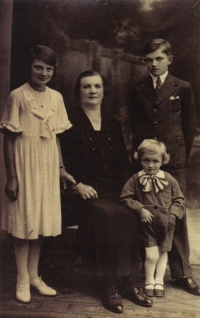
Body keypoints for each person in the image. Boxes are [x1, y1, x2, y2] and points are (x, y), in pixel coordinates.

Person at [59, 70, 153, 313]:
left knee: (130, 212)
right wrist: (77, 184)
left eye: (97, 86)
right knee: (109, 216)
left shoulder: (112, 123)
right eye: (86, 86)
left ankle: (129, 281)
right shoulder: (68, 122)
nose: (92, 91)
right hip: (83, 191)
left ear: (104, 90)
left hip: (114, 189)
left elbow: (123, 161)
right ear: (78, 91)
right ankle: (109, 285)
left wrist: (130, 191)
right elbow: (62, 161)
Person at [0, 45, 76, 303]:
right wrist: (11, 176)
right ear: (30, 67)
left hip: (47, 165)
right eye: (38, 67)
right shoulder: (18, 96)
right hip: (24, 165)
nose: (43, 72)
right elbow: (9, 139)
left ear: (54, 71)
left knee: (40, 223)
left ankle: (34, 276)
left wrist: (61, 169)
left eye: (48, 68)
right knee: (24, 222)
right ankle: (21, 278)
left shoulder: (56, 98)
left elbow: (54, 138)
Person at [129, 38, 200, 295]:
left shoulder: (183, 87)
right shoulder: (138, 87)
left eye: (159, 58)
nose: (153, 64)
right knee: (146, 210)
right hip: (146, 160)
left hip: (173, 161)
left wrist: (177, 156)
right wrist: (140, 155)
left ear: (170, 59)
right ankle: (142, 268)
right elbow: (135, 123)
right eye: (148, 60)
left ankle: (182, 273)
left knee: (175, 213)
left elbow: (189, 126)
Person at [120, 139, 185, 298]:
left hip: (166, 223)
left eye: (155, 161)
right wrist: (140, 209)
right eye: (146, 160)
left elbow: (180, 200)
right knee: (151, 255)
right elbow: (125, 198)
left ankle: (159, 281)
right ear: (139, 159)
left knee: (163, 253)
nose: (150, 165)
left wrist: (173, 215)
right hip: (147, 224)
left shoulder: (169, 179)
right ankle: (149, 280)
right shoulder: (136, 179)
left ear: (164, 161)